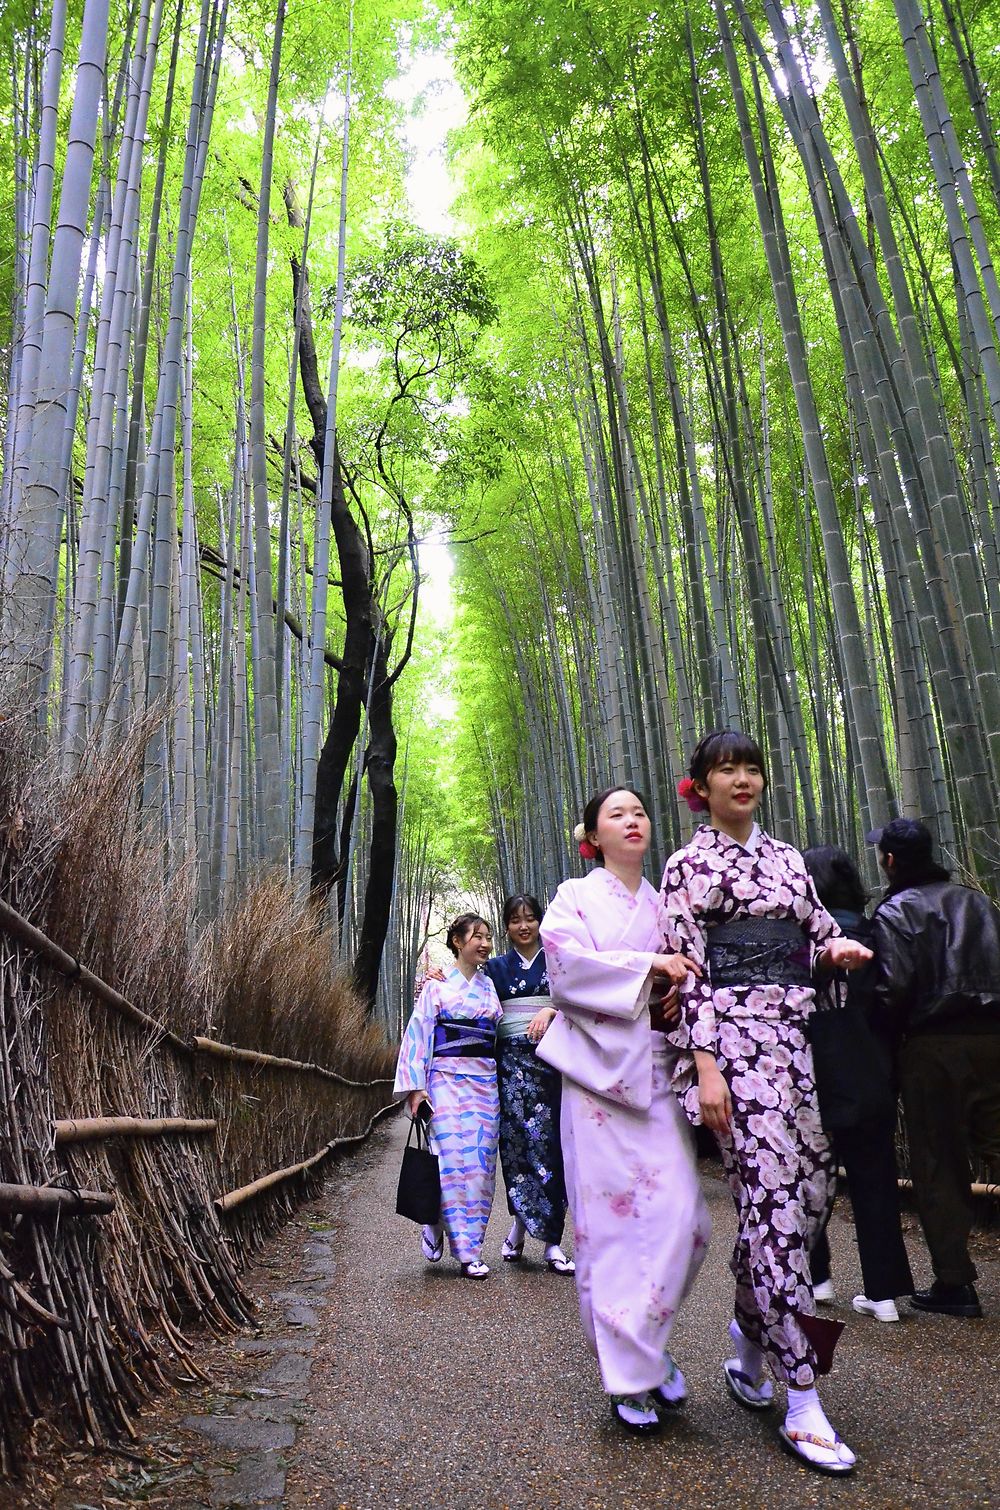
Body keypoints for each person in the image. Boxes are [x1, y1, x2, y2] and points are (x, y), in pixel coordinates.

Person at [661, 730, 871, 1479]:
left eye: (751, 767)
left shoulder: (788, 859)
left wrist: (836, 950)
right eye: (727, 769)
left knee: (808, 1201)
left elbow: (817, 931)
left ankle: (749, 1350)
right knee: (778, 1209)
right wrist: (707, 1066)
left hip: (796, 1046)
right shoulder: (687, 865)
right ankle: (803, 1398)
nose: (742, 779)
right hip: (736, 1056)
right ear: (702, 786)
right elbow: (686, 976)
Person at [537, 786, 710, 1437]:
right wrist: (650, 967)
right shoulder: (572, 898)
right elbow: (566, 968)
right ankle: (629, 1373)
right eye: (617, 813)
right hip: (598, 1083)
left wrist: (677, 985)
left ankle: (645, 1344)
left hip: (656, 1075)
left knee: (687, 1223)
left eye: (639, 811)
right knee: (612, 1234)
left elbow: (694, 969)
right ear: (591, 834)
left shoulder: (666, 902)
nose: (632, 820)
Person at [866, 817, 1000, 1319]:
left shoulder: (895, 912)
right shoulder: (978, 902)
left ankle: (955, 1283)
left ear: (892, 861)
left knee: (939, 1162)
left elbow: (893, 988)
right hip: (995, 1038)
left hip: (933, 1046)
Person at [801, 845, 913, 1322]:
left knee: (810, 1175)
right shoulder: (878, 928)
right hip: (871, 1064)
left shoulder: (806, 939)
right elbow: (897, 995)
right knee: (875, 1179)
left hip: (817, 1065)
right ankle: (883, 1293)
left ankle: (818, 1277)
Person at [394, 913, 502, 1279]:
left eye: (488, 937)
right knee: (451, 1166)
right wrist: (416, 1089)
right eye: (478, 937)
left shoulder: (491, 986)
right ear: (458, 941)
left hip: (485, 1086)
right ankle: (461, 1247)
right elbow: (418, 1035)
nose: (485, 944)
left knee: (482, 1167)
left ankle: (454, 1233)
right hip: (446, 1084)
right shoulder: (436, 988)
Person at [483, 894, 574, 1274]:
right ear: (506, 926)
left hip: (551, 1065)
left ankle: (553, 1240)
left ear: (540, 921)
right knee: (517, 1147)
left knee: (552, 1149)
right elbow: (468, 990)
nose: (524, 926)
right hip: (510, 1067)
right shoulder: (494, 969)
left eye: (530, 918)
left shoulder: (559, 961)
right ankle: (519, 1227)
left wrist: (551, 1008)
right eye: (515, 919)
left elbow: (579, 1000)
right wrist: (439, 978)